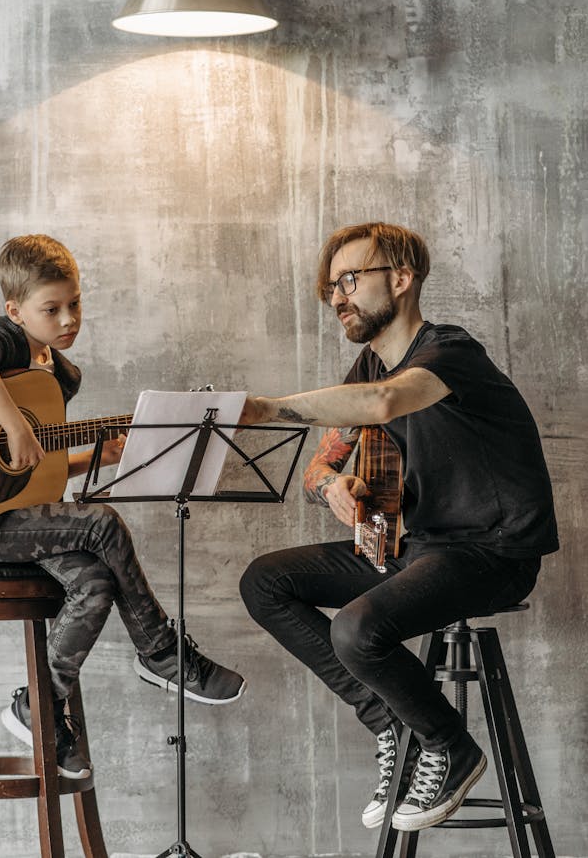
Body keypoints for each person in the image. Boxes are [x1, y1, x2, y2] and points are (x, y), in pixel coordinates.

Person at [239, 221, 558, 833]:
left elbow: (384, 404)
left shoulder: (450, 352)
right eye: (331, 286)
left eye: (351, 280)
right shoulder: (366, 367)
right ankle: (391, 720)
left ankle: (450, 746)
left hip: (492, 554)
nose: (337, 297)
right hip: (418, 548)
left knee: (358, 629)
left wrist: (269, 409)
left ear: (402, 279)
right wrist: (333, 485)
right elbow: (321, 465)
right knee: (266, 582)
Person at [0, 234, 245, 781]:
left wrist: (94, 457)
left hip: (17, 519)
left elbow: (34, 467)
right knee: (101, 521)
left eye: (74, 304)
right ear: (15, 311)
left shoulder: (63, 376)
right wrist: (10, 421)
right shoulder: (6, 341)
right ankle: (161, 652)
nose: (67, 320)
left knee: (96, 584)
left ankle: (37, 706)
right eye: (50, 309)